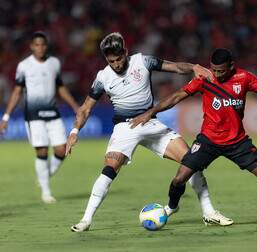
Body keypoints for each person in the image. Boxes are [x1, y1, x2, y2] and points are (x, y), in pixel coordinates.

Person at [66, 32, 233, 232]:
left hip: (150, 122)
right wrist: (74, 131)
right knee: (110, 168)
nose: (117, 64)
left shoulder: (142, 61)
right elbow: (85, 108)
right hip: (124, 127)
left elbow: (175, 67)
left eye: (119, 59)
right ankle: (86, 220)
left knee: (191, 162)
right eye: (112, 61)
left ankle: (209, 213)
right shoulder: (103, 77)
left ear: (126, 52)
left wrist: (193, 67)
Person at [130, 48, 257, 227]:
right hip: (208, 141)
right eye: (214, 70)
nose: (216, 75)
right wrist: (152, 111)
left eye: (221, 71)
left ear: (231, 66)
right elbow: (177, 96)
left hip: (238, 142)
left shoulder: (244, 78)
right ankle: (171, 207)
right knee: (179, 178)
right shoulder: (205, 78)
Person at [0, 31, 79, 203]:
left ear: (46, 46)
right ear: (31, 47)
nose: (40, 47)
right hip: (33, 116)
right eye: (37, 44)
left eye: (43, 44)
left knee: (61, 150)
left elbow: (60, 87)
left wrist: (75, 106)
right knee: (42, 151)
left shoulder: (54, 63)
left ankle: (44, 176)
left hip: (53, 113)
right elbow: (17, 91)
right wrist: (6, 117)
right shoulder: (24, 66)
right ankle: (46, 191)